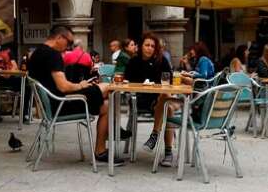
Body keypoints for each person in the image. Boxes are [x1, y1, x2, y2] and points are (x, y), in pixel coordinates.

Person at [28, 25, 118, 165]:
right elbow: (63, 86)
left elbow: (55, 84)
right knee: (107, 87)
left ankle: (101, 150)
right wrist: (80, 86)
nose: (69, 47)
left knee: (106, 106)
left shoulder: (36, 53)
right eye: (69, 42)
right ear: (59, 38)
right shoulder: (53, 55)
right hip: (61, 104)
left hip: (51, 106)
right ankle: (116, 131)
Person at [126, 33, 177, 166]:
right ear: (141, 46)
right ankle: (168, 153)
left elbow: (168, 82)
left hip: (159, 99)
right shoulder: (133, 62)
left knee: (167, 102)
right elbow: (127, 82)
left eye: (152, 46)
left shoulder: (161, 61)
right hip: (141, 99)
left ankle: (155, 135)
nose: (149, 48)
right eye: (147, 45)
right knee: (169, 109)